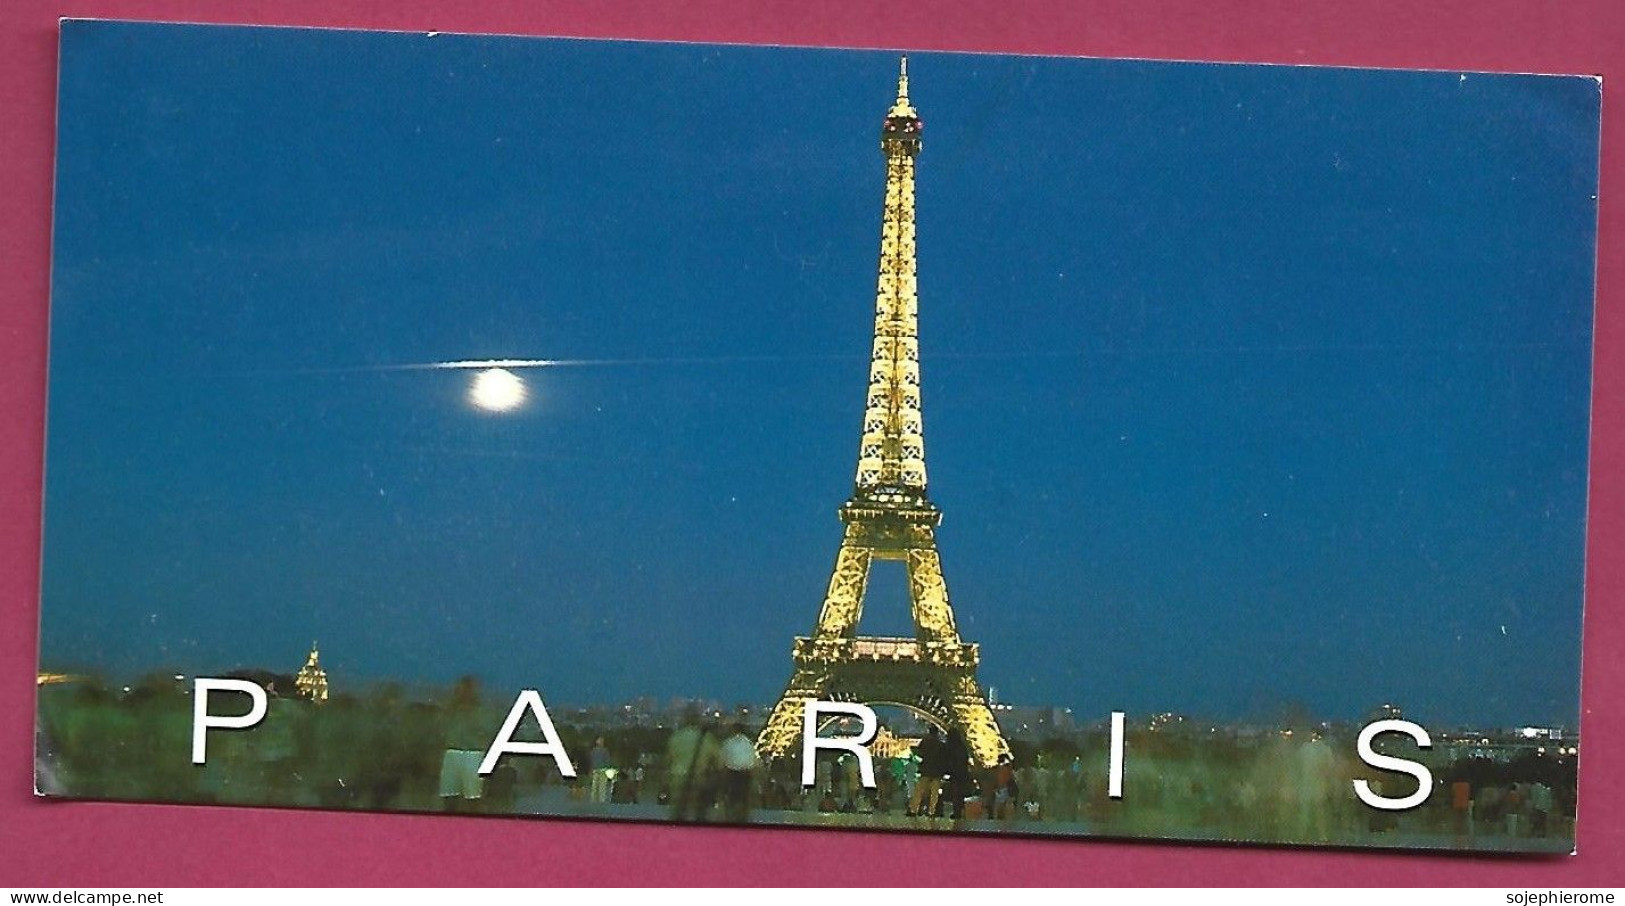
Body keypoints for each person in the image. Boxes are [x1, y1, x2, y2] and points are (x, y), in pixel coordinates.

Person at [666, 712, 720, 821]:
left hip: (677, 776)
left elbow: (669, 759)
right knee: (696, 811)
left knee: (677, 811)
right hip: (698, 777)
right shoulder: (706, 738)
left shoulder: (676, 737)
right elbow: (717, 760)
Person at [718, 722, 760, 822]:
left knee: (731, 798)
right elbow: (753, 761)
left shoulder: (728, 742)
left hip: (731, 774)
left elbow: (722, 760)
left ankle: (731, 818)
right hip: (745, 774)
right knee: (743, 798)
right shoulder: (748, 743)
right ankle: (742, 818)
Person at [909, 726, 947, 817]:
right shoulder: (940, 744)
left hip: (926, 770)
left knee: (919, 791)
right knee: (934, 793)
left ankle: (913, 810)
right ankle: (931, 811)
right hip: (937, 771)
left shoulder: (924, 742)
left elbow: (919, 753)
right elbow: (944, 758)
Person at [588, 737, 614, 804]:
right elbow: (607, 761)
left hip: (595, 770)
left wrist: (590, 769)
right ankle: (601, 801)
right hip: (603, 770)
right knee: (602, 787)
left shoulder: (593, 751)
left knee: (594, 787)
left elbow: (591, 761)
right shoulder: (605, 751)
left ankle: (593, 801)